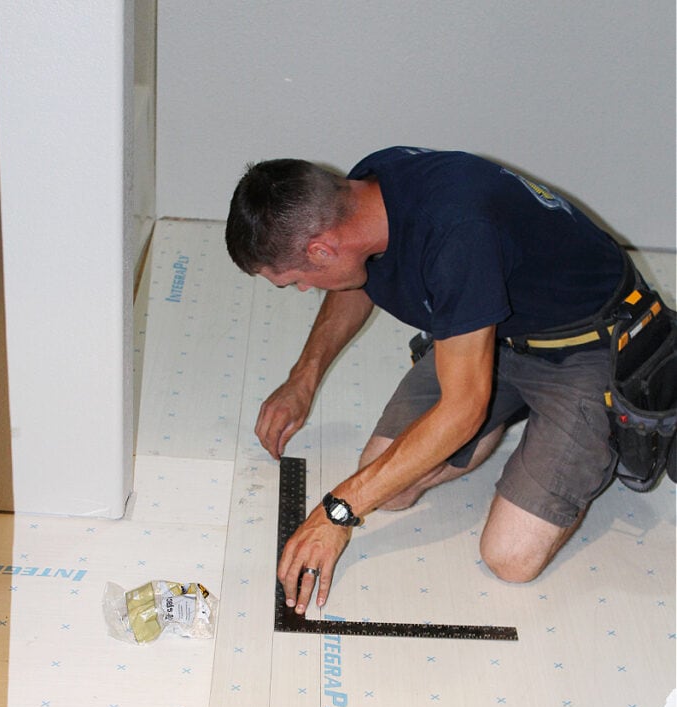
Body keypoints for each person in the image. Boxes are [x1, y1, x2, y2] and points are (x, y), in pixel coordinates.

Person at [225, 147, 641, 615]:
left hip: (587, 346)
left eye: (297, 280)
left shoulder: (457, 234)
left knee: (510, 557)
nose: (305, 289)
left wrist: (336, 513)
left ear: (321, 249)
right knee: (393, 488)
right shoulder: (363, 197)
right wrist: (303, 377)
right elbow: (356, 281)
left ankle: (591, 435)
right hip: (494, 334)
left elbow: (461, 410)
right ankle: (497, 405)